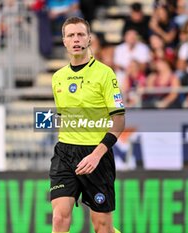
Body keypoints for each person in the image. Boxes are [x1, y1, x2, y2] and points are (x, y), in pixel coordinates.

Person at [50, 17, 124, 233]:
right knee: (59, 219)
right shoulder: (58, 78)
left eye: (81, 34)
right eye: (71, 35)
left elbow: (118, 120)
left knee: (102, 227)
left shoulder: (105, 74)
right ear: (64, 41)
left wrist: (96, 154)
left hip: (96, 155)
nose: (76, 39)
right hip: (65, 153)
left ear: (89, 39)